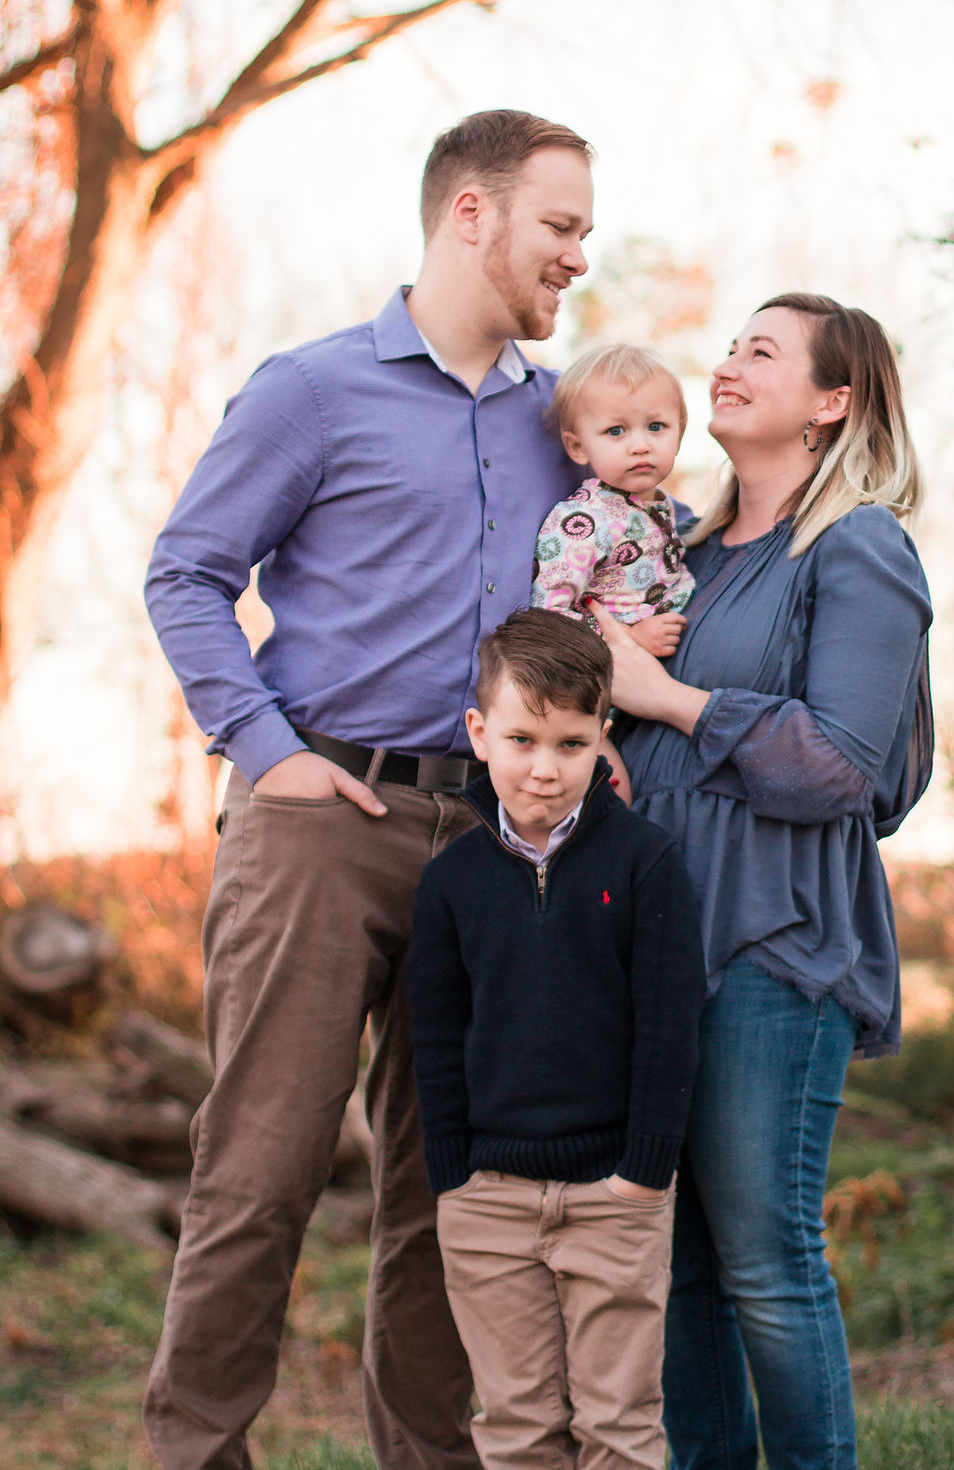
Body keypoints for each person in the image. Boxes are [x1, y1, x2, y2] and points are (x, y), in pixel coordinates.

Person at [142, 109, 595, 1470]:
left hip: (497, 843)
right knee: (261, 1168)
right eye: (559, 225)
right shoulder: (313, 390)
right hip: (322, 824)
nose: (578, 256)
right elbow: (186, 574)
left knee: (453, 1190)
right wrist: (265, 750)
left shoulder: (560, 427)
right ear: (471, 211)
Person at [593, 293, 934, 1470]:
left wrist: (667, 699)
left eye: (762, 352)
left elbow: (843, 765)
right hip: (653, 943)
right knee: (674, 1264)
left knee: (764, 1260)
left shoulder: (856, 547)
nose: (727, 364)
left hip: (771, 941)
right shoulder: (676, 556)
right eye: (731, 345)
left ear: (831, 401)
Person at [408, 607, 705, 1470]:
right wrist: (453, 1175)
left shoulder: (646, 863)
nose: (545, 768)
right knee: (517, 1426)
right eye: (522, 740)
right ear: (479, 733)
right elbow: (436, 1035)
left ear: (603, 735)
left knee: (618, 1426)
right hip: (488, 1201)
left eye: (572, 744)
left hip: (615, 1196)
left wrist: (644, 1173)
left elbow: (669, 1028)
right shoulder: (451, 882)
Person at [529, 344, 695, 657]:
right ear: (578, 447)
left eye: (656, 427)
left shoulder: (661, 506)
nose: (640, 445)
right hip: (610, 670)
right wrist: (631, 635)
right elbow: (548, 616)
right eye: (616, 431)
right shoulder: (584, 521)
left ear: (679, 433)